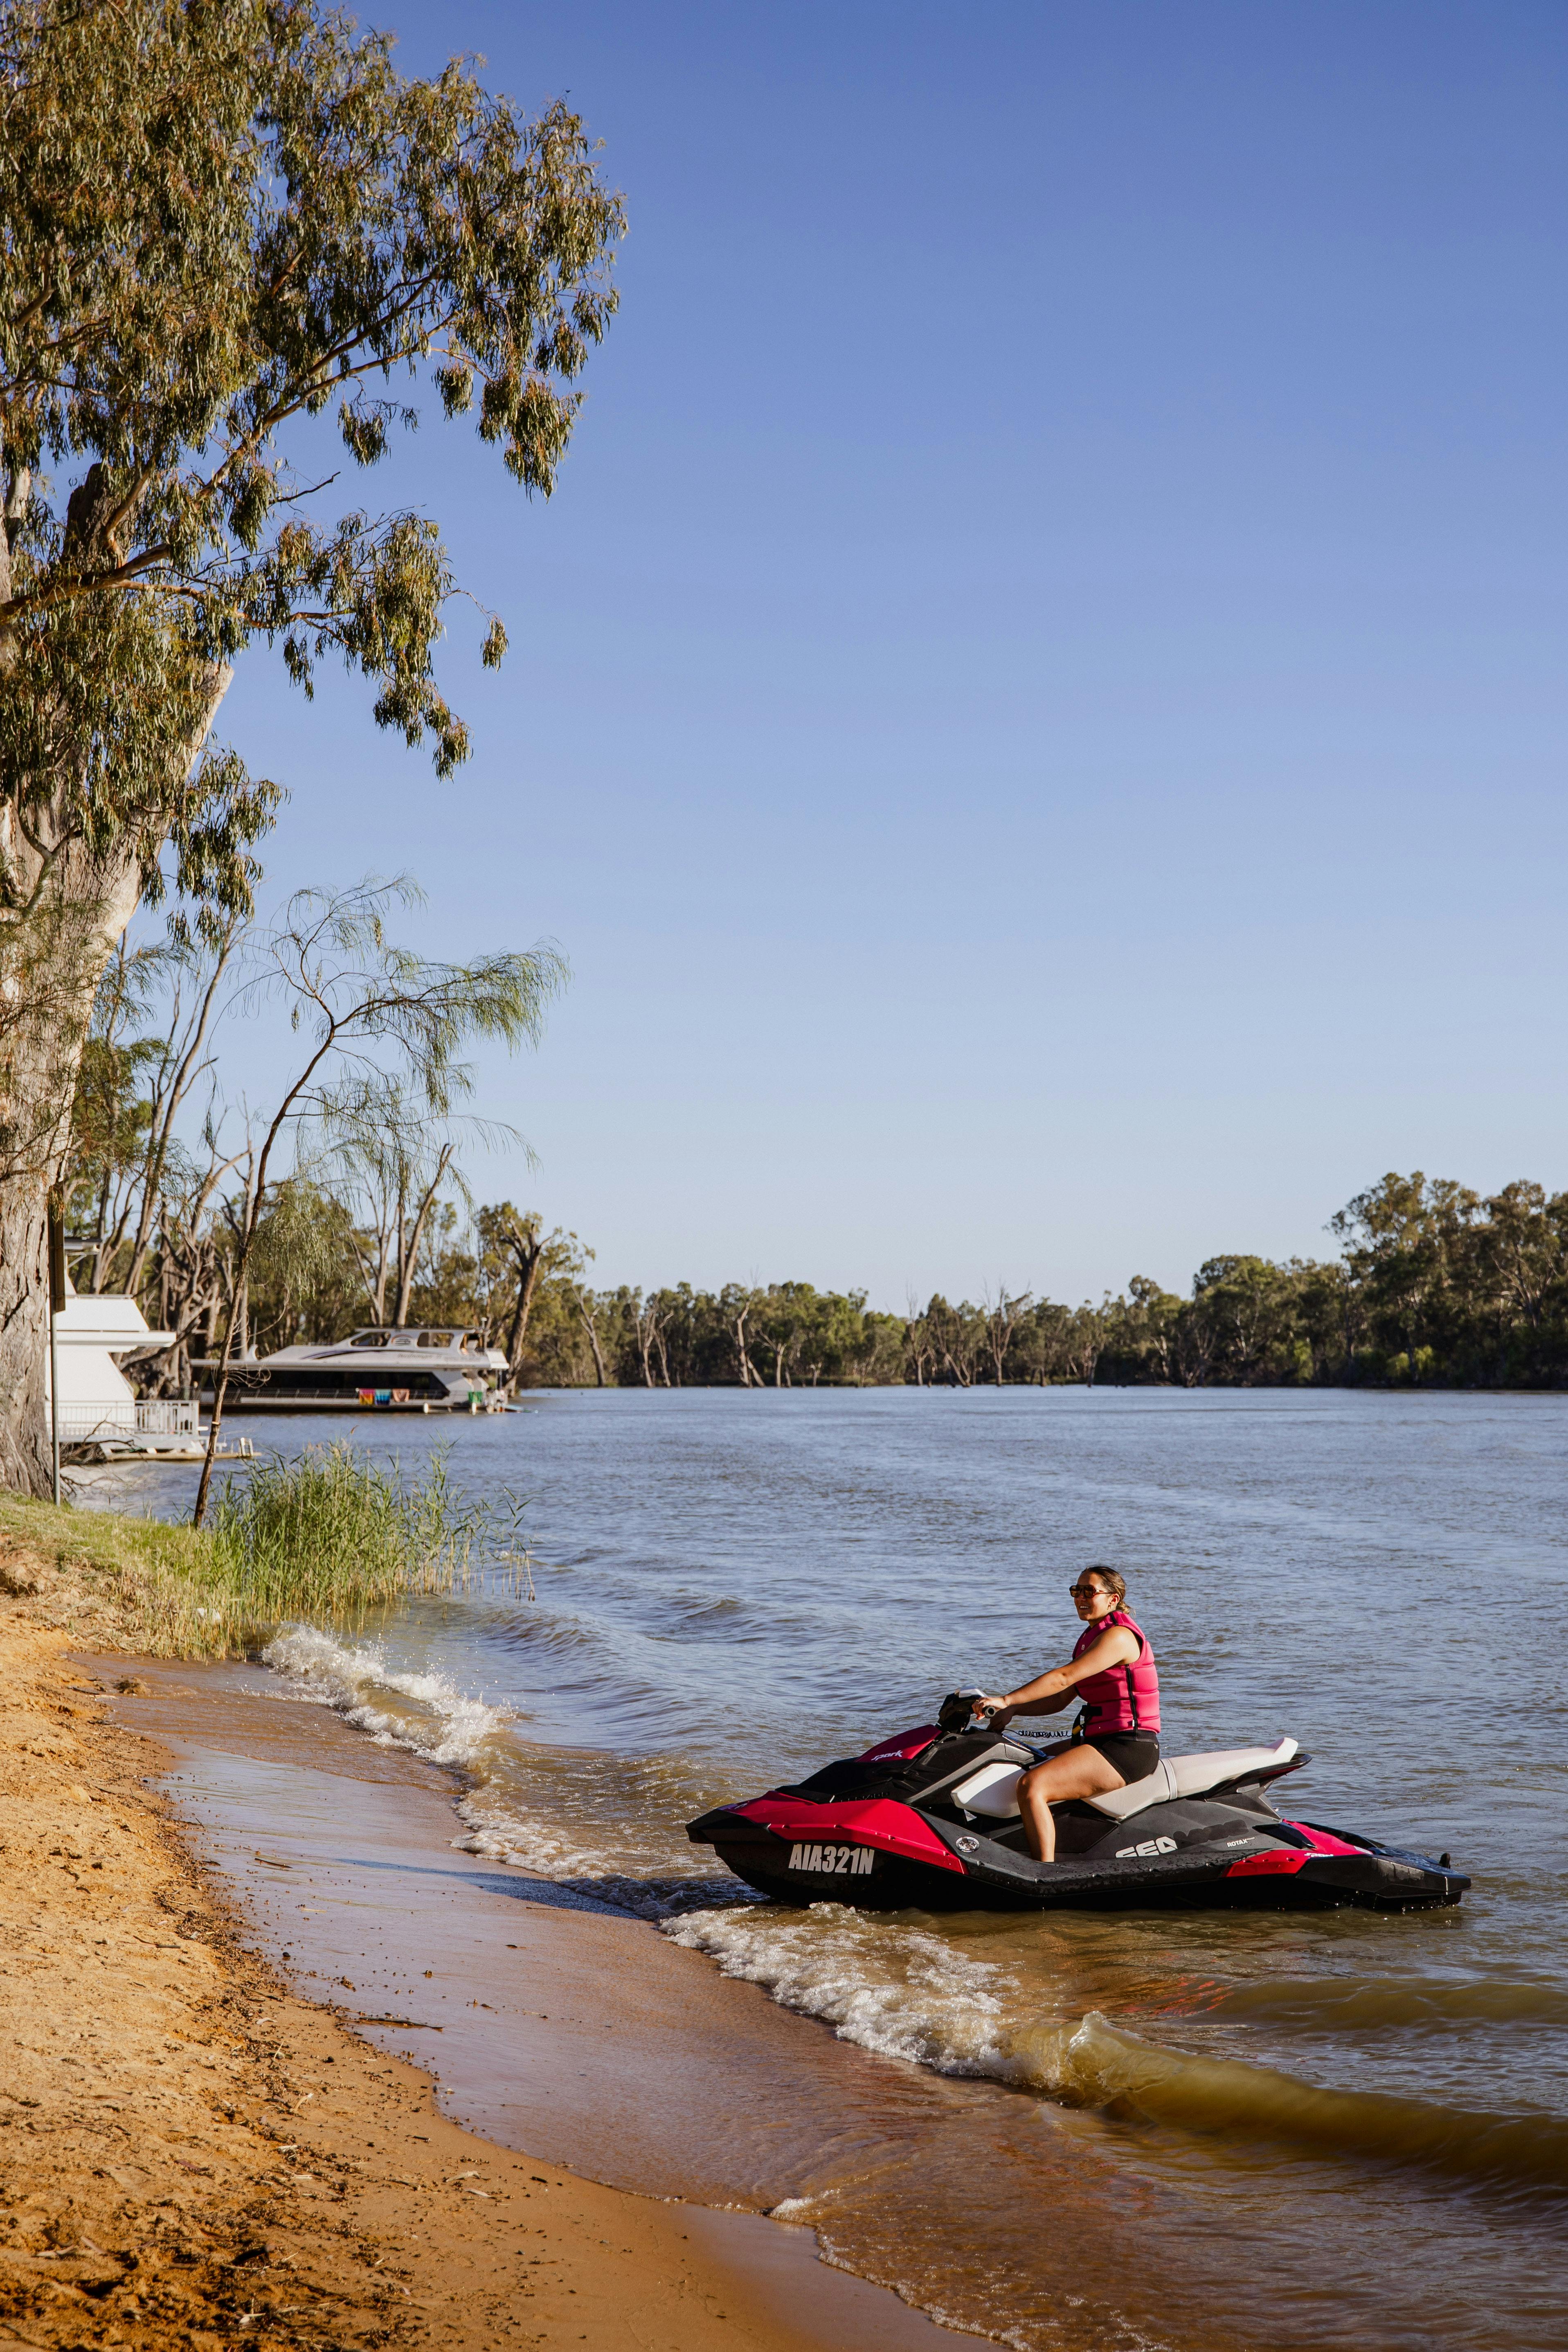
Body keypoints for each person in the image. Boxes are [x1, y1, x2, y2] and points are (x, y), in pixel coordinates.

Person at [976, 1566, 1160, 1863]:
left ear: (1112, 1600)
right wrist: (1013, 1710)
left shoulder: (1119, 1637)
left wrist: (1006, 1698)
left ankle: (1043, 1871)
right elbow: (1062, 1698)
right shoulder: (1092, 1636)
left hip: (1127, 1747)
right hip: (1100, 1740)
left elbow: (1063, 1678)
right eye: (1076, 1591)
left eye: (1089, 1591)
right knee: (1020, 1764)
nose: (1080, 1597)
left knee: (1033, 1785)